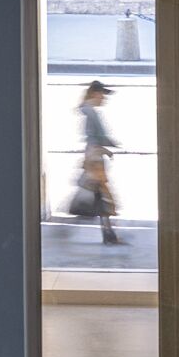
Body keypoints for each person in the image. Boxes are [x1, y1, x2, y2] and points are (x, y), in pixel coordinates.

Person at [77, 80, 121, 245]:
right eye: (103, 94)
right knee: (103, 195)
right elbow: (94, 138)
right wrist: (107, 147)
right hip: (95, 159)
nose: (104, 98)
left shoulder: (88, 110)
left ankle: (108, 232)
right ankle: (108, 232)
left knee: (100, 195)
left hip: (93, 157)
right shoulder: (91, 113)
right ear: (96, 93)